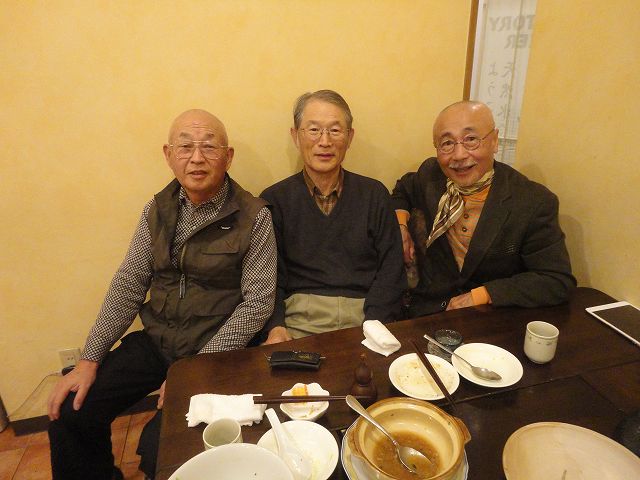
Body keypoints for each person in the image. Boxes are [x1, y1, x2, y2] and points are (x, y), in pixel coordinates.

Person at [47, 109, 277, 480]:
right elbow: (129, 282)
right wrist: (89, 358)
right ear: (168, 155)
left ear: (228, 156)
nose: (197, 158)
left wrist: (193, 371)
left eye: (209, 147)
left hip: (215, 350)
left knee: (162, 448)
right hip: (158, 340)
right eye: (185, 147)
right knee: (72, 410)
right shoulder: (156, 209)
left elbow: (257, 304)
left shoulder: (254, 216)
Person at [391, 100, 575, 316]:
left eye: (471, 139)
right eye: (447, 143)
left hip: (489, 318)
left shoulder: (533, 201)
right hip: (427, 310)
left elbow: (555, 280)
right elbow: (402, 191)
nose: (459, 155)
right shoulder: (431, 174)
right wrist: (401, 227)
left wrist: (483, 295)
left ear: (494, 140)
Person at [260, 90, 405, 344]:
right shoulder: (275, 199)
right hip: (298, 319)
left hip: (365, 317)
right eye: (314, 130)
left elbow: (391, 270)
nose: (324, 141)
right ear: (295, 136)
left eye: (335, 131)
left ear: (350, 137)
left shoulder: (374, 194)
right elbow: (269, 277)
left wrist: (375, 326)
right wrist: (276, 326)